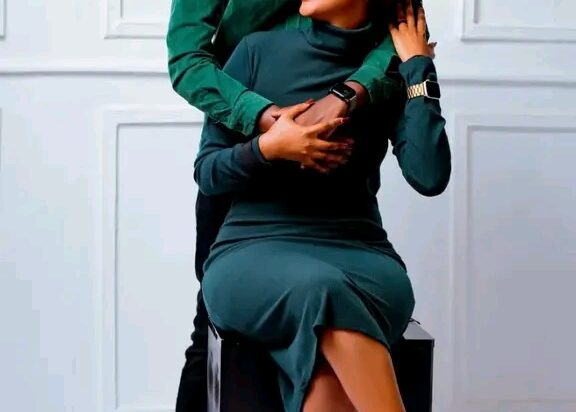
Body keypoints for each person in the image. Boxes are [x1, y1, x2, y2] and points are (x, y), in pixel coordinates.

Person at [166, 0, 435, 410]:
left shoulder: (384, 67)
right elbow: (188, 62)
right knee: (210, 338)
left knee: (323, 342)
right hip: (251, 211)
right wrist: (268, 132)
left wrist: (397, 76)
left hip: (349, 236)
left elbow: (404, 29)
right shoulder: (256, 52)